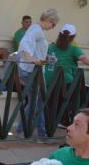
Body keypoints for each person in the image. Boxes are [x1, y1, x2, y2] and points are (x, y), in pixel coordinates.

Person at [13, 8, 60, 141]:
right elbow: (24, 43)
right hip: (32, 70)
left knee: (37, 101)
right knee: (37, 102)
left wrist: (38, 58)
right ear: (49, 21)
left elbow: (31, 47)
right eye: (53, 24)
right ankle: (35, 133)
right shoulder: (37, 29)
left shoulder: (35, 29)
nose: (53, 27)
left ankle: (35, 132)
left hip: (32, 69)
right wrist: (30, 58)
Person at [44, 23, 89, 126]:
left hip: (49, 79)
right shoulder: (73, 48)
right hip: (66, 80)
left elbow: (46, 58)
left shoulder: (52, 46)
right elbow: (83, 58)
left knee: (52, 101)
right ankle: (66, 121)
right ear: (73, 37)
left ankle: (52, 122)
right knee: (79, 97)